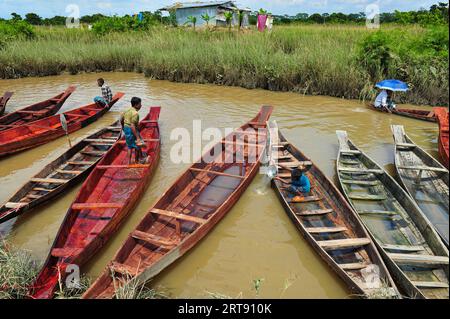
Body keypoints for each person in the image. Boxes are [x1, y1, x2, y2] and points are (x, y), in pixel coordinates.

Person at [120, 97, 147, 164]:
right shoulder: (135, 113)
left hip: (126, 129)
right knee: (137, 146)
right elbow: (132, 126)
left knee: (129, 147)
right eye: (140, 104)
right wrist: (137, 137)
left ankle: (129, 162)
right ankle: (137, 161)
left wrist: (123, 127)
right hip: (132, 130)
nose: (141, 105)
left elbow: (121, 119)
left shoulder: (127, 110)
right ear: (136, 105)